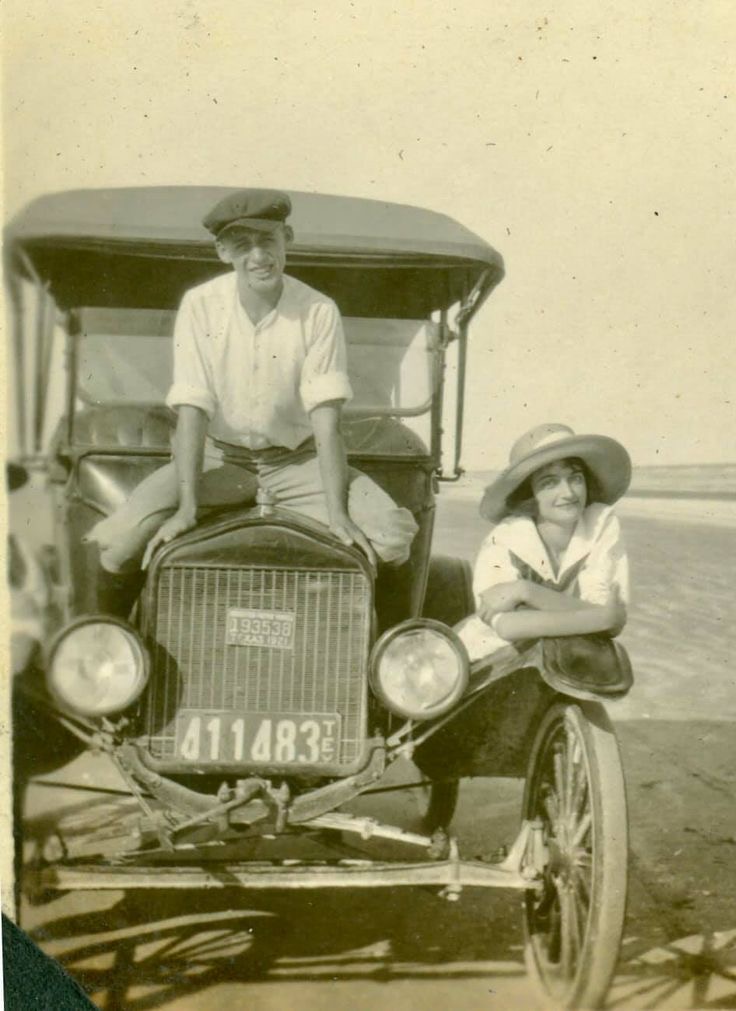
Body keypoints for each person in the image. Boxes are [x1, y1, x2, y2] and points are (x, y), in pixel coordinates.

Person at [86, 189, 418, 615]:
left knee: (391, 536)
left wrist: (338, 513)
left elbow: (326, 421)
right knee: (119, 540)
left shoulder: (318, 311)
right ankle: (106, 658)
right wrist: (187, 505)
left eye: (268, 241)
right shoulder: (201, 306)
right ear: (223, 251)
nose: (258, 256)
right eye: (243, 246)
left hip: (298, 463)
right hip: (219, 461)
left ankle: (394, 662)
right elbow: (192, 409)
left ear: (288, 239)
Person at [456, 422, 632, 663]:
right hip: (490, 659)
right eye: (549, 482)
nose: (568, 493)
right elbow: (507, 627)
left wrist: (524, 591)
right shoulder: (506, 538)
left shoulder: (601, 523)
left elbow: (613, 620)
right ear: (530, 495)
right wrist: (600, 619)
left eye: (575, 478)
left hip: (563, 658)